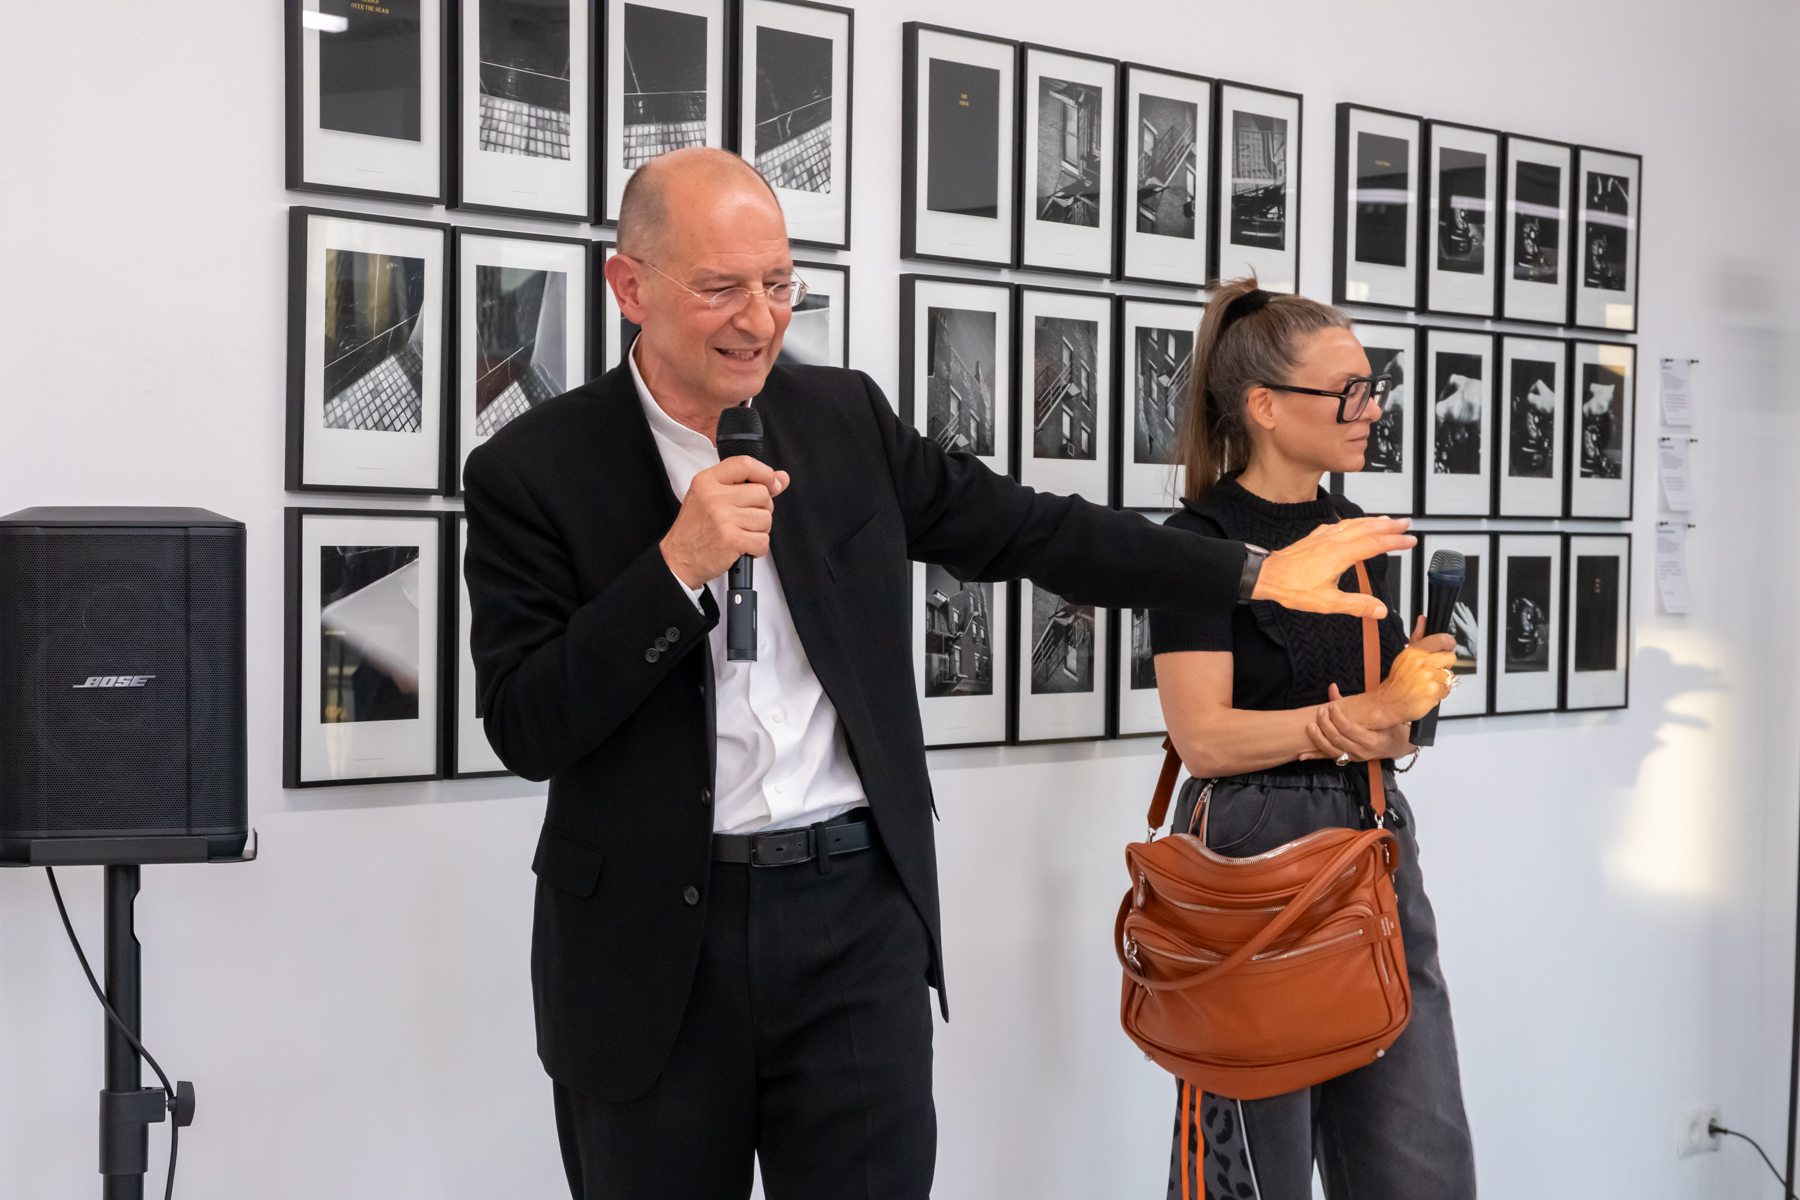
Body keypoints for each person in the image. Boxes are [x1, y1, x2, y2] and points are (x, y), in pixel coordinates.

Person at [460, 149, 1418, 1200]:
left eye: (779, 283)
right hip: (647, 951)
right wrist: (676, 569)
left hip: (853, 922)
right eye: (721, 287)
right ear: (630, 286)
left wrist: (1250, 571)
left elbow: (1031, 530)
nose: (759, 318)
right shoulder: (531, 471)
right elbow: (525, 725)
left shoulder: (843, 419)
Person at [1152, 278, 1477, 1200]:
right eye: (1348, 391)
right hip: (1247, 865)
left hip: (1372, 844)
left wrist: (1408, 699)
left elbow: (1395, 727)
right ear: (1264, 406)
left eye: (1373, 388)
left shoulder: (1358, 537)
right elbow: (1204, 739)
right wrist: (1354, 720)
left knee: (1419, 1162)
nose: (1371, 409)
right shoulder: (1197, 543)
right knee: (1250, 1173)